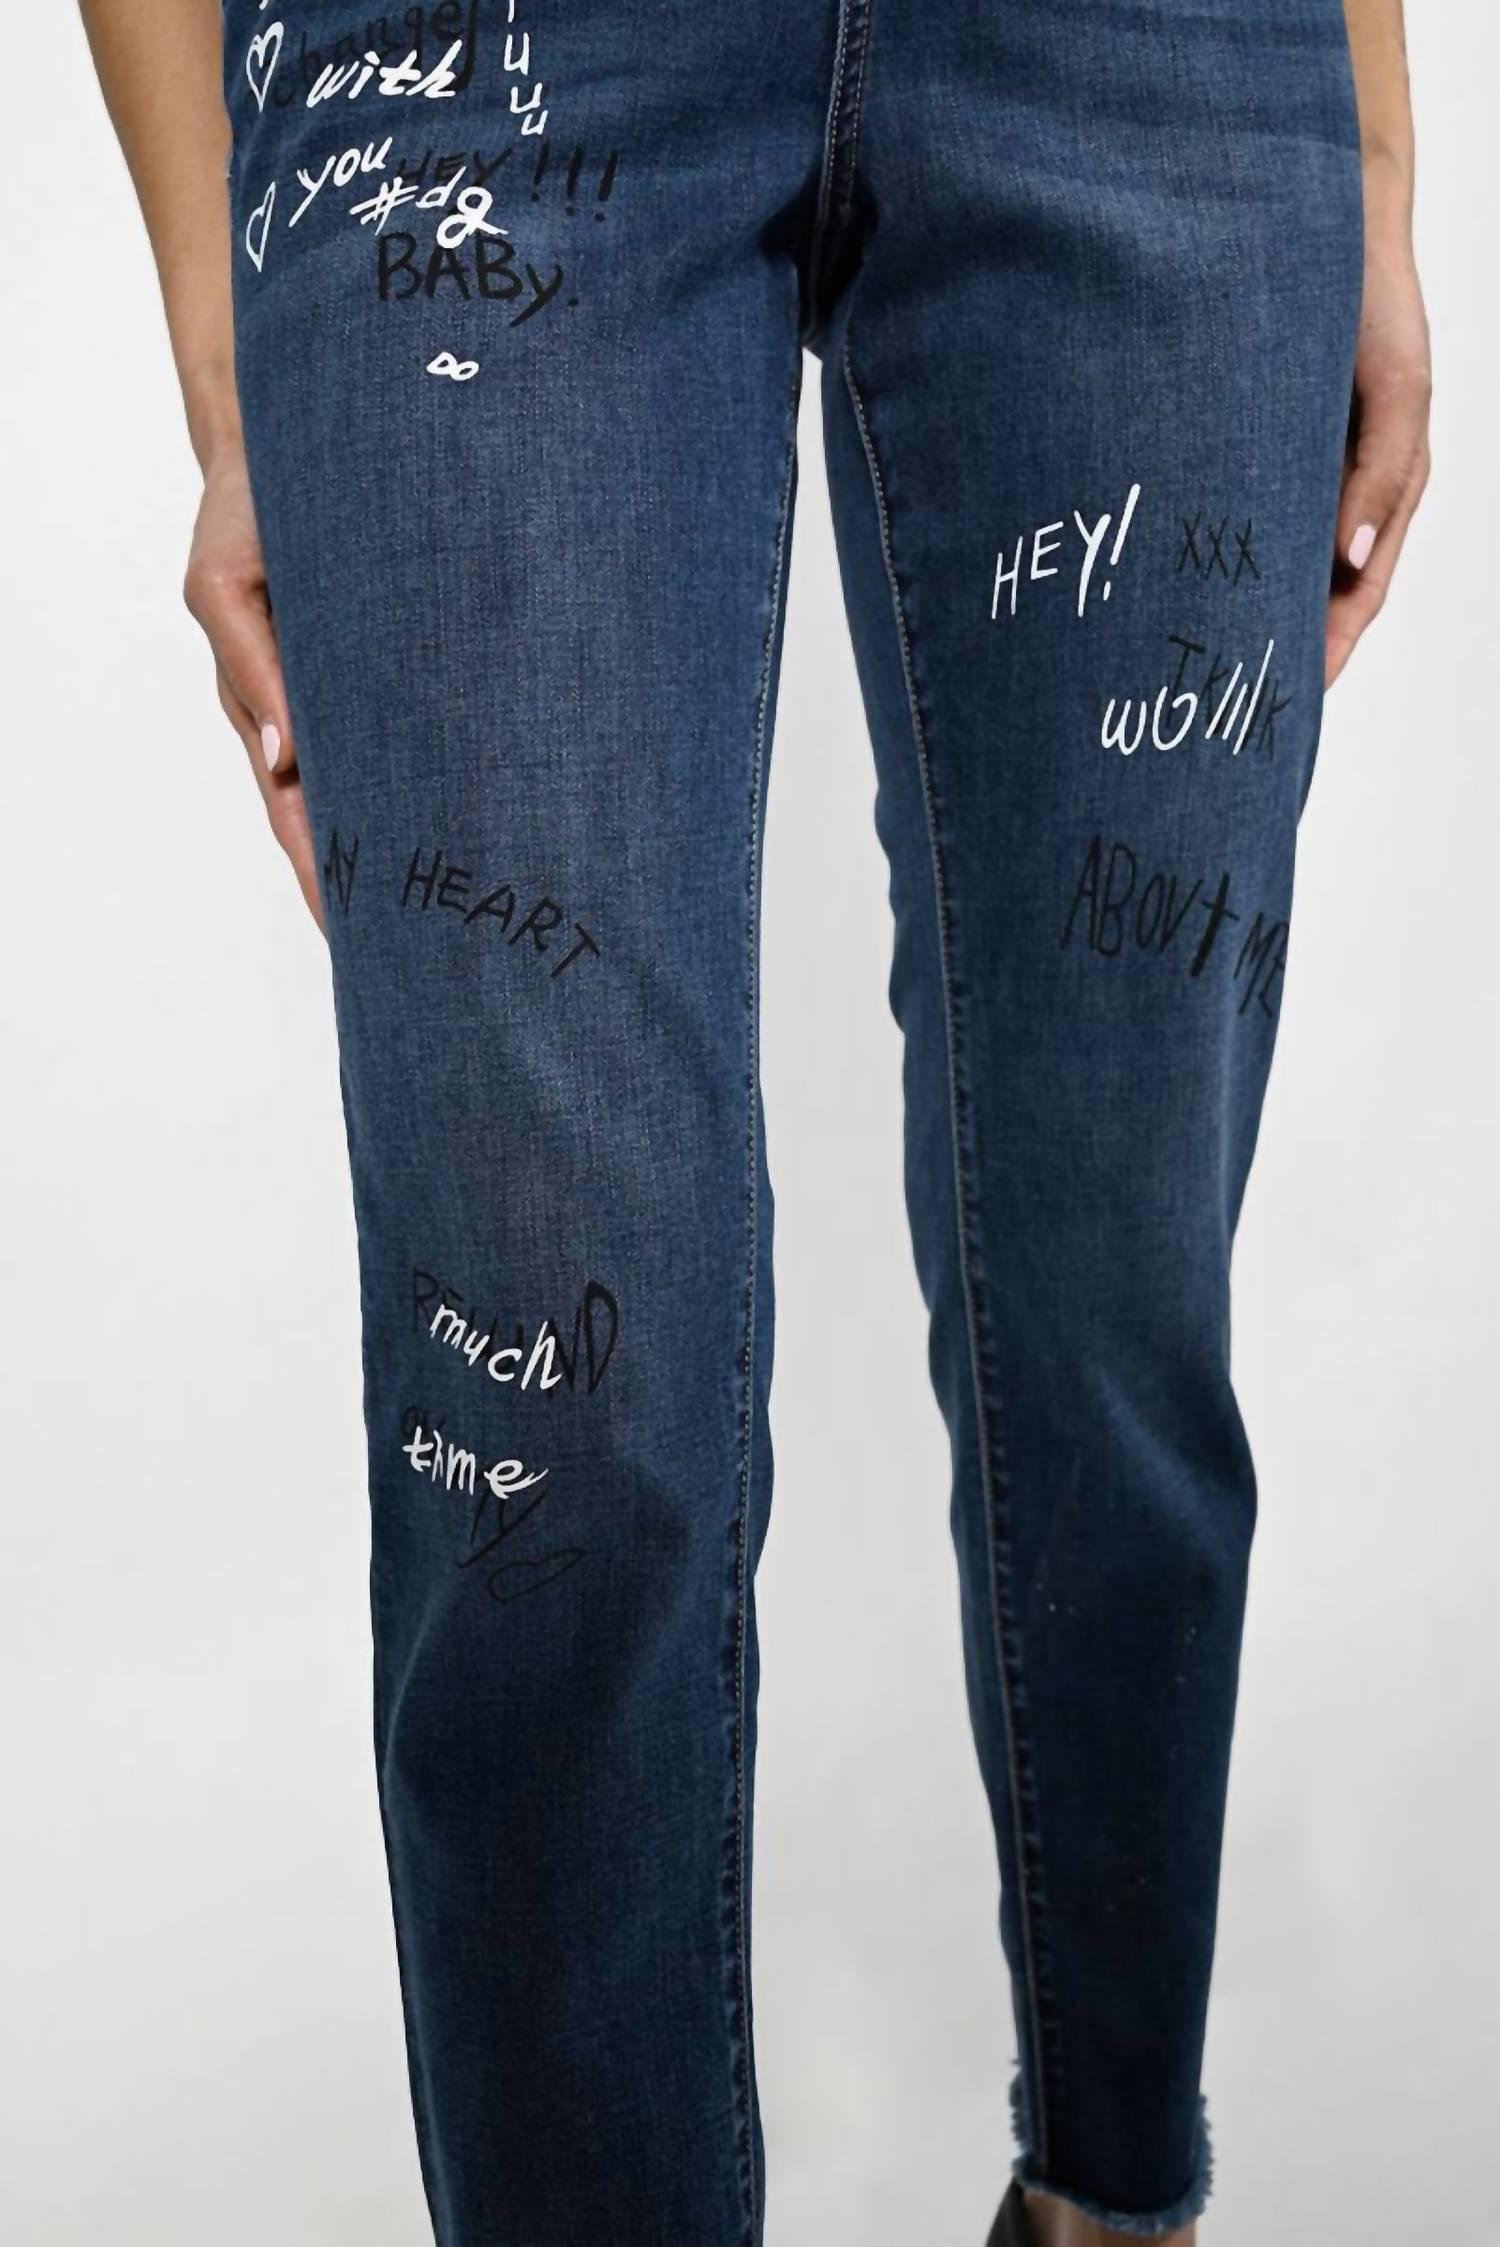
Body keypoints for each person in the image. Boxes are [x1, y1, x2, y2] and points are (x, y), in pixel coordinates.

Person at [80, 1, 1430, 2240]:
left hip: (1156, 57)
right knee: (556, 1385)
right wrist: (226, 358)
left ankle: (1116, 2201)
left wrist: (1371, 151)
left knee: (1114, 1275)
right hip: (477, 75)